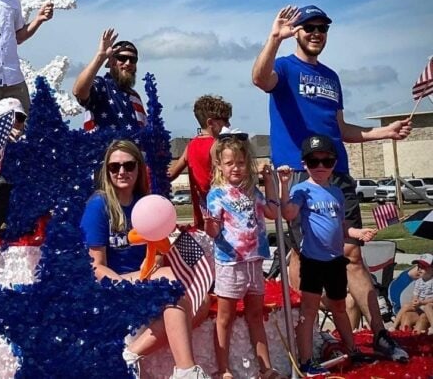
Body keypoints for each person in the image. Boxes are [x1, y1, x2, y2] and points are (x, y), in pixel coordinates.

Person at [251, 4, 411, 362]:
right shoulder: (284, 67)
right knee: (300, 257)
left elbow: (341, 130)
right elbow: (260, 79)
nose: (316, 33)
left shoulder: (331, 77)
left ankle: (379, 335)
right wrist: (274, 38)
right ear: (297, 32)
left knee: (352, 254)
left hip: (337, 174)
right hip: (296, 173)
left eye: (322, 28)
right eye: (309, 27)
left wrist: (384, 132)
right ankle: (309, 334)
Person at [80, 140, 211, 379]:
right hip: (114, 280)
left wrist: (159, 259)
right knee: (171, 283)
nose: (122, 172)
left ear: (139, 168)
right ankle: (186, 371)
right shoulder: (99, 205)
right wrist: (122, 285)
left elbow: (161, 247)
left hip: (146, 276)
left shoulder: (147, 202)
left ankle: (129, 355)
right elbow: (95, 266)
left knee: (200, 302)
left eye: (129, 165)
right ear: (106, 171)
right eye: (114, 167)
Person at [278, 135, 377, 376]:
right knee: (309, 312)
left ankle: (352, 350)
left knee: (340, 307)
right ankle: (305, 361)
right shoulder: (301, 189)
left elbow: (342, 227)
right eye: (314, 161)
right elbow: (289, 214)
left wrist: (357, 232)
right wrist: (283, 185)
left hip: (335, 261)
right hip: (312, 261)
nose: (320, 166)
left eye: (327, 161)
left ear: (334, 163)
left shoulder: (336, 193)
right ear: (305, 164)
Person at [205, 132, 280, 379]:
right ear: (220, 165)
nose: (235, 168)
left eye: (239, 162)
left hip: (253, 260)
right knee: (225, 317)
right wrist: (209, 225)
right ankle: (223, 368)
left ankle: (265, 367)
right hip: (231, 261)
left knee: (255, 315)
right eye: (229, 163)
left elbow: (272, 211)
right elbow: (214, 231)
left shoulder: (252, 191)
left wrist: (270, 181)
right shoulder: (217, 194)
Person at [168, 95, 233, 229]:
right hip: (223, 220)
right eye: (225, 120)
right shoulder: (218, 145)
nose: (228, 124)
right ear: (210, 122)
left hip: (202, 219)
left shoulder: (191, 145)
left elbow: (171, 174)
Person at [73, 29, 147, 132]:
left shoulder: (134, 96)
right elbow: (79, 91)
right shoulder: (101, 85)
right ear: (112, 61)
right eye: (122, 58)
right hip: (104, 147)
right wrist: (100, 56)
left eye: (133, 60)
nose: (128, 63)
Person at [392, 254, 433, 334]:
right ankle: (397, 329)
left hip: (430, 307)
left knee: (427, 308)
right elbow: (415, 294)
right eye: (419, 266)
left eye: (423, 267)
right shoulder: (418, 282)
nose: (419, 269)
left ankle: (421, 333)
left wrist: (422, 302)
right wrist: (415, 300)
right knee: (406, 310)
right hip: (421, 307)